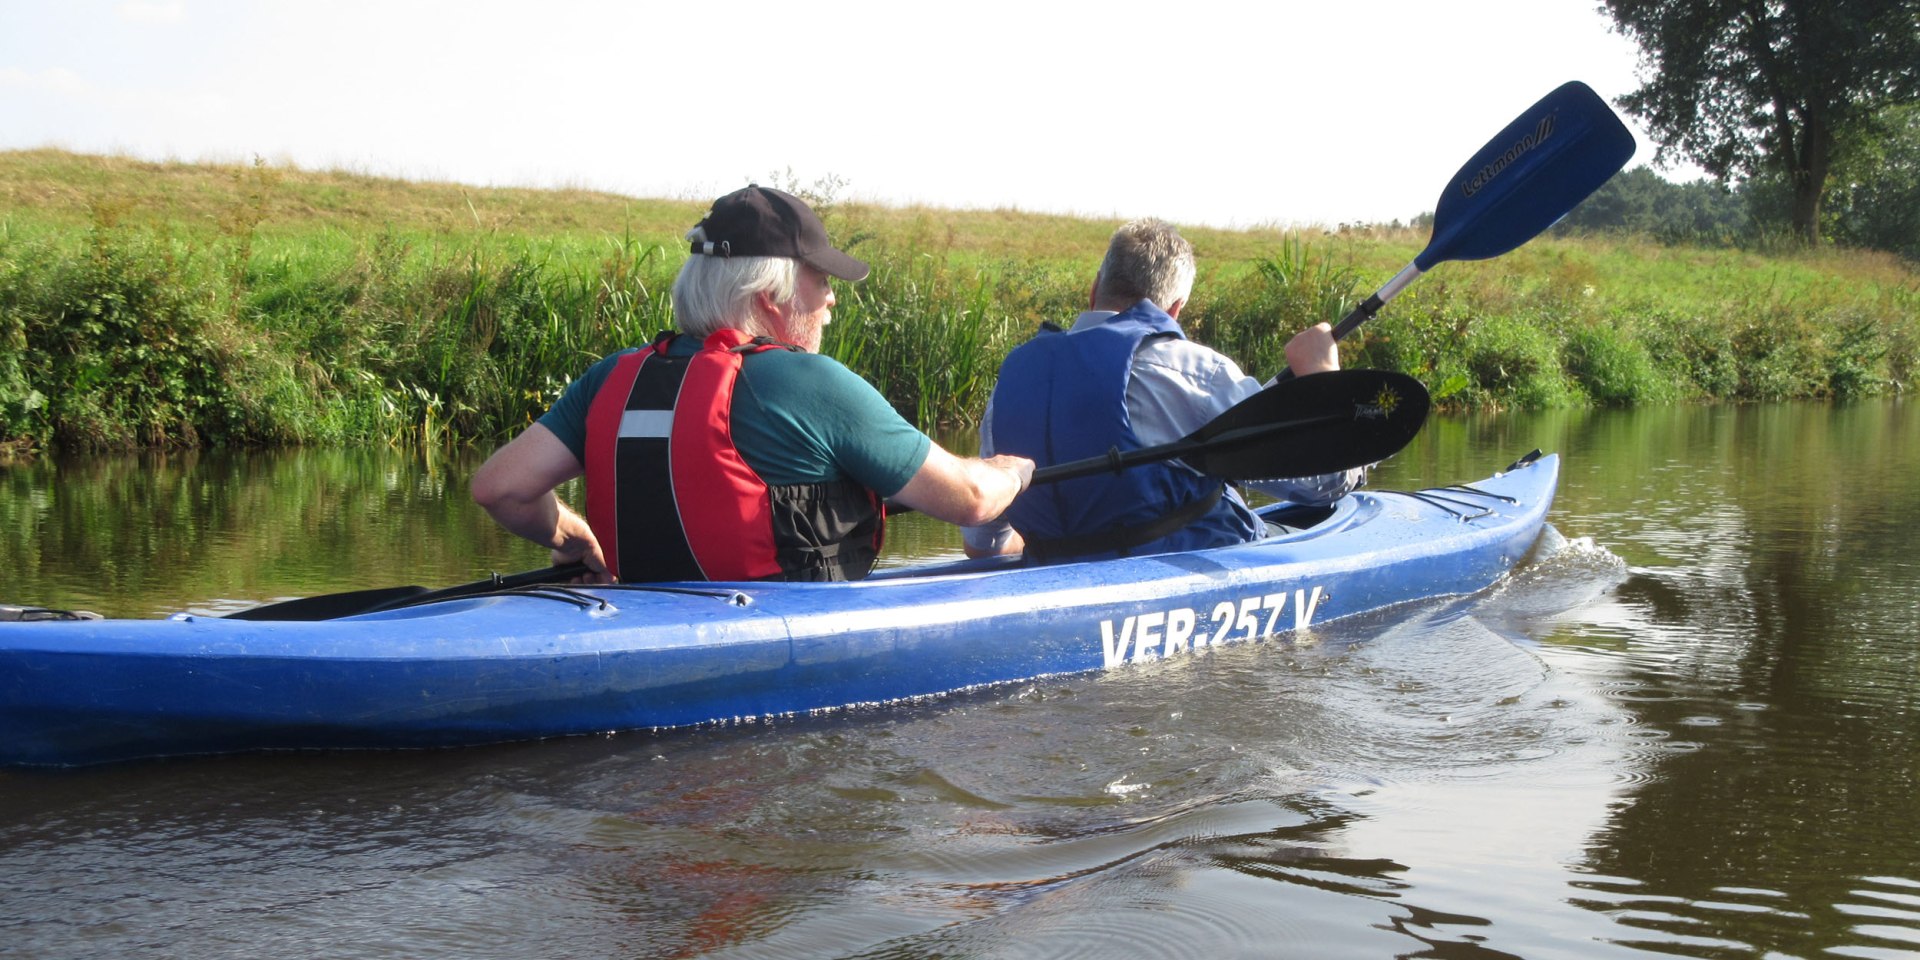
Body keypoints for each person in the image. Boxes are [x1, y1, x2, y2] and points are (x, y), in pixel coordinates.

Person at [473, 185, 1034, 584]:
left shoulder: (612, 377)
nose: (832, 297)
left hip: (642, 625)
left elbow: (501, 488)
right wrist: (1013, 470)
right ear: (772, 296)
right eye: (820, 280)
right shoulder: (809, 382)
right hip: (773, 642)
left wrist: (572, 536)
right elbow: (971, 499)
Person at [962, 218, 1363, 561]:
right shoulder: (1195, 372)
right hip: (1181, 576)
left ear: (1094, 289)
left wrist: (1060, 547)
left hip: (1054, 573)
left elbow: (984, 544)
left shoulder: (1013, 380)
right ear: (1174, 309)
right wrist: (1321, 379)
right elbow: (1322, 484)